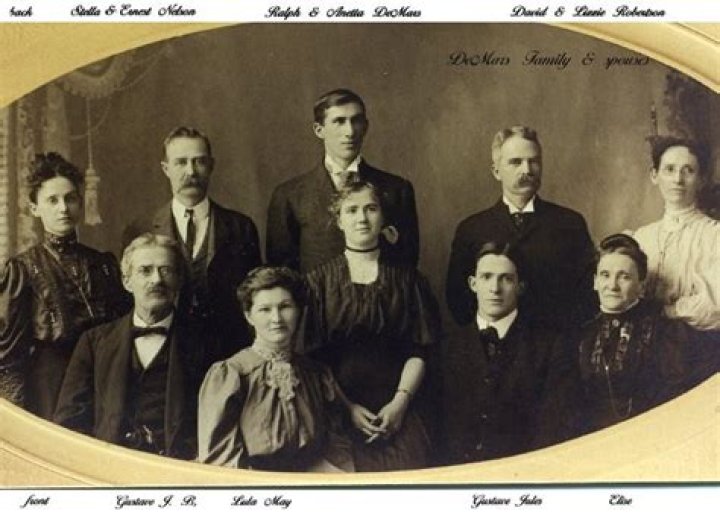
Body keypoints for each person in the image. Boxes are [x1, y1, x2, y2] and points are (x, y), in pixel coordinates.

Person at [303, 179, 441, 471]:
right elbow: (314, 359)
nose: (362, 218)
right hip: (336, 408)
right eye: (351, 210)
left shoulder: (409, 280)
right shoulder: (318, 283)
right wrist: (348, 408)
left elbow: (419, 350)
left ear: (382, 217)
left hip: (400, 407)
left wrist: (399, 404)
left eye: (371, 209)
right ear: (339, 221)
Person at [0, 153, 130, 419]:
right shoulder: (23, 269)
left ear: (80, 203)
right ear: (34, 208)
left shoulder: (103, 264)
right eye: (52, 200)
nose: (63, 208)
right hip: (50, 388)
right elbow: (9, 358)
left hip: (102, 382)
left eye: (70, 199)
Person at [54, 234, 205, 460]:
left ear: (179, 280)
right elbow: (70, 421)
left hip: (180, 467)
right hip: (110, 465)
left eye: (166, 270)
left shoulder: (206, 342)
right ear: (127, 282)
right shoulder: (94, 342)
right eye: (145, 271)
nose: (157, 280)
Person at [123, 126, 261, 362]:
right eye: (181, 162)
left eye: (199, 162)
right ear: (166, 168)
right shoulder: (141, 228)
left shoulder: (240, 227)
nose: (191, 171)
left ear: (211, 166)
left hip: (228, 350)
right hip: (167, 351)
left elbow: (254, 296)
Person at [197, 266, 352, 471]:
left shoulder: (316, 374)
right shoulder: (232, 374)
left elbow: (337, 447)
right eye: (265, 309)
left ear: (299, 311)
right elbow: (221, 458)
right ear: (249, 316)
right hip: (254, 482)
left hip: (313, 479)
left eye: (285, 306)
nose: (277, 319)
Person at [446, 126, 595, 334]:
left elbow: (589, 295)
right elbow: (458, 300)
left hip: (555, 345)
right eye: (516, 162)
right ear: (496, 171)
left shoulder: (570, 224)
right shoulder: (472, 229)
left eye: (534, 161)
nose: (527, 170)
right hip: (493, 344)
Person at [267, 88, 419, 272]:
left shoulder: (396, 190)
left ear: (365, 127)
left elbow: (407, 264)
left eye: (356, 120)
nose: (350, 131)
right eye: (339, 121)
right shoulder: (290, 195)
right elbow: (281, 271)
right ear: (319, 130)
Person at [442, 242, 567, 464]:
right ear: (473, 284)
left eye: (506, 279)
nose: (495, 289)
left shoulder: (548, 347)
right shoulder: (446, 346)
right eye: (486, 277)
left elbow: (552, 425)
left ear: (520, 287)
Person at [575, 234, 689, 435]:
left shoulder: (662, 331)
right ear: (595, 282)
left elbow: (672, 397)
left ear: (641, 286)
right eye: (605, 275)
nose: (612, 286)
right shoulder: (583, 334)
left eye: (624, 277)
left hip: (647, 433)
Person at [630, 138, 719, 385]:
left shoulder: (714, 236)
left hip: (699, 354)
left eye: (688, 170)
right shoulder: (641, 237)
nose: (678, 179)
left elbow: (715, 305)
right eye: (669, 169)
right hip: (642, 355)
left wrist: (670, 311)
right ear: (654, 175)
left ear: (701, 179)